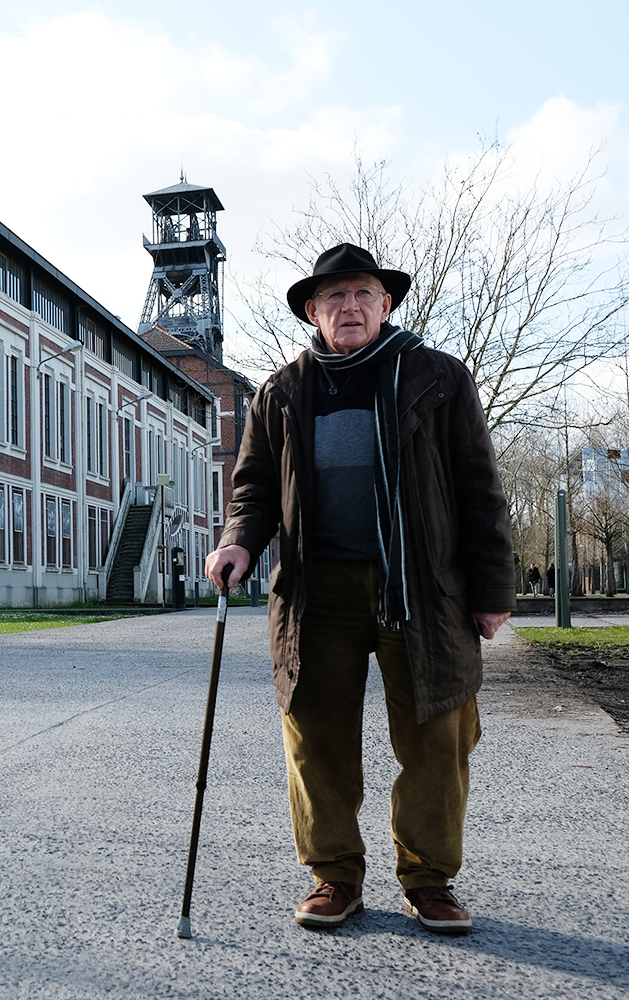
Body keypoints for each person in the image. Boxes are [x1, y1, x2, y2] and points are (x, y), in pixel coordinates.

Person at [205, 243, 514, 936]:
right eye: (334, 298)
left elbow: (480, 489)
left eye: (363, 295)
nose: (349, 307)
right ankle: (334, 875)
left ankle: (429, 880)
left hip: (423, 587)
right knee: (315, 735)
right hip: (317, 589)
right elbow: (253, 488)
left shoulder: (437, 378)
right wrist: (238, 541)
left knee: (439, 733)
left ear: (386, 304)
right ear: (313, 313)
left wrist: (491, 588)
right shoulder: (282, 392)